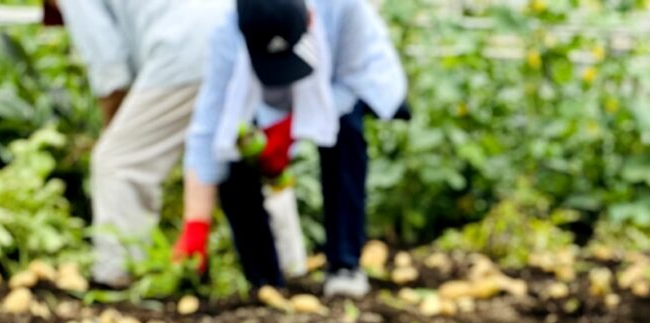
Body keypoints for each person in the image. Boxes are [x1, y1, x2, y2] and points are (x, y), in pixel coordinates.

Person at [178, 0, 407, 298]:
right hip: (260, 103)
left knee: (347, 132)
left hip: (340, 85)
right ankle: (265, 282)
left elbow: (355, 82)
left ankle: (345, 265)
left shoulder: (344, 9)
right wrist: (196, 223)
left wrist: (289, 131)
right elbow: (210, 125)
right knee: (232, 151)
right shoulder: (227, 30)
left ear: (310, 19)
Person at [53, 0, 231, 288]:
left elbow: (110, 69)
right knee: (245, 153)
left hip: (184, 51)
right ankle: (287, 267)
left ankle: (119, 274)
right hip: (236, 34)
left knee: (118, 161)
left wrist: (115, 131)